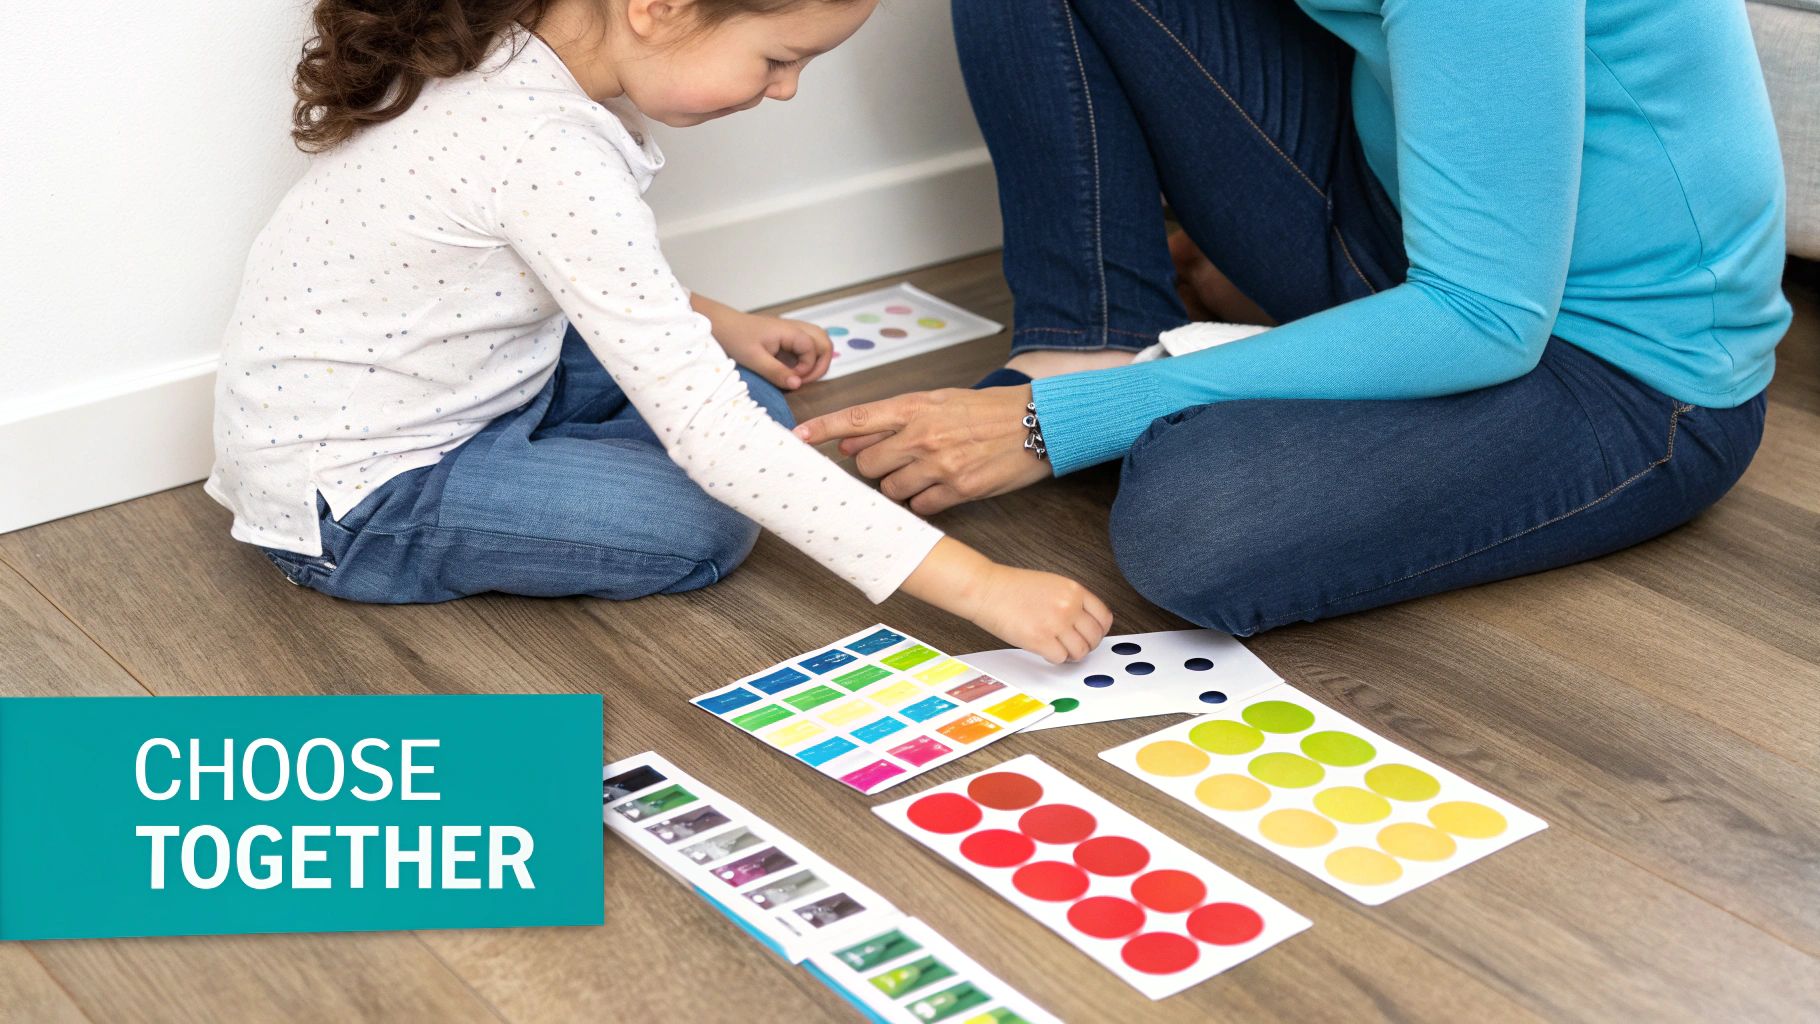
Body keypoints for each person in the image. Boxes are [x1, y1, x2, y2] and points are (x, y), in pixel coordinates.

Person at [796, 0, 1788, 636]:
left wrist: (1058, 424)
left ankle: (1117, 387)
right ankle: (1089, 339)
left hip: (1619, 375)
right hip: (1412, 229)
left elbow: (1484, 318)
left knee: (1196, 525)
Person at [206, 0, 1111, 663]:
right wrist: (984, 586)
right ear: (660, 8)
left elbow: (543, 272)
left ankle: (570, 448)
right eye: (779, 59)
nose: (788, 91)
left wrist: (719, 324)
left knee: (749, 404)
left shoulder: (515, 55)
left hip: (456, 379)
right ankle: (528, 479)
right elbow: (711, 437)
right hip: (356, 500)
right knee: (703, 517)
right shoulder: (543, 149)